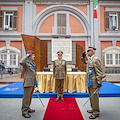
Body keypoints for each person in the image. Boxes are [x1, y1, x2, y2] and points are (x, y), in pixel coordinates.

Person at [81, 46, 103, 119]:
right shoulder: (91, 59)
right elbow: (85, 62)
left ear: (92, 52)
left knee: (94, 97)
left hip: (94, 81)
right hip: (90, 80)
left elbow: (99, 72)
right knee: (91, 96)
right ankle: (93, 108)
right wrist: (83, 57)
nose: (87, 53)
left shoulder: (96, 60)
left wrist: (99, 82)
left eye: (88, 51)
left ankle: (96, 112)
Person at [19, 50, 38, 118]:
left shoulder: (32, 62)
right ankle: (24, 111)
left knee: (30, 97)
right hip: (27, 82)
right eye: (33, 55)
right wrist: (26, 55)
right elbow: (21, 62)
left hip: (32, 82)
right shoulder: (25, 63)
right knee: (26, 98)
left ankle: (28, 108)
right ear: (29, 56)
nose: (34, 56)